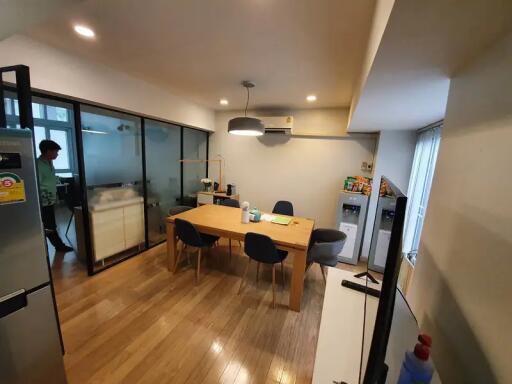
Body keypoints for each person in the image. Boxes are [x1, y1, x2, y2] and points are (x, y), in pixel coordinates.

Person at [37, 140, 73, 253]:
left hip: (50, 200)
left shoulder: (49, 163)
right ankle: (58, 246)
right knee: (49, 226)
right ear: (48, 151)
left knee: (50, 225)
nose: (57, 154)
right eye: (56, 152)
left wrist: (61, 179)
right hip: (43, 201)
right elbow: (37, 184)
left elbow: (51, 177)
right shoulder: (38, 165)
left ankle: (57, 246)